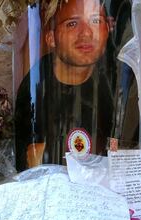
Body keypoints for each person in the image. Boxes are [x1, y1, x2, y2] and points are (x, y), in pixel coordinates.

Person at [15, 0, 115, 171]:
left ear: (108, 29)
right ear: (51, 38)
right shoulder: (36, 87)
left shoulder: (113, 86)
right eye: (72, 24)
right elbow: (30, 162)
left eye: (96, 21)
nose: (86, 33)